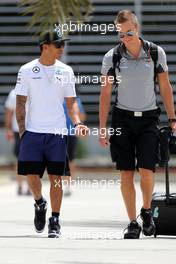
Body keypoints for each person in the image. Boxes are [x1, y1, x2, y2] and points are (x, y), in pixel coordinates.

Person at [99, 10, 176, 239]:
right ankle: (133, 223)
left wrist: (173, 119)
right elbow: (104, 94)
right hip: (122, 118)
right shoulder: (111, 57)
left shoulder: (155, 53)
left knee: (146, 170)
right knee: (125, 173)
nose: (125, 38)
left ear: (137, 28)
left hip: (149, 118)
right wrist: (103, 127)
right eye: (120, 34)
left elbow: (165, 87)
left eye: (128, 32)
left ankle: (146, 211)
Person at [15, 29, 87, 238]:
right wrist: (23, 132)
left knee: (57, 178)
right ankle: (39, 202)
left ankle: (55, 219)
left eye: (62, 44)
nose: (61, 48)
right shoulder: (27, 70)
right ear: (44, 47)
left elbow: (71, 103)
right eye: (58, 45)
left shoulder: (66, 71)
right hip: (32, 133)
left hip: (57, 133)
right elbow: (20, 103)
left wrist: (77, 123)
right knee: (31, 177)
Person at [5, 89, 31, 195]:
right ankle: (20, 186)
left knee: (33, 159)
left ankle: (30, 187)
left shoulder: (35, 89)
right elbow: (9, 113)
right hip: (18, 130)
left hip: (34, 129)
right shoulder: (14, 93)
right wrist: (8, 129)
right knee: (19, 159)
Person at [63, 97, 86, 196]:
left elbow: (82, 115)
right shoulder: (76, 100)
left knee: (68, 160)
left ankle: (67, 183)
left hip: (67, 133)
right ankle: (67, 184)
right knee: (70, 160)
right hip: (64, 133)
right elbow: (82, 116)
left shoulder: (75, 100)